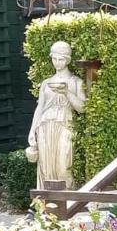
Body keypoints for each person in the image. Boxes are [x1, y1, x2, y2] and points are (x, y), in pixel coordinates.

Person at [26, 41, 85, 190]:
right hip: (45, 125)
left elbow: (82, 108)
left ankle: (67, 201)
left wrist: (67, 92)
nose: (57, 63)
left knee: (64, 164)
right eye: (54, 59)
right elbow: (40, 108)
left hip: (65, 124)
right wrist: (32, 130)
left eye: (61, 59)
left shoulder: (76, 82)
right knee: (45, 166)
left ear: (67, 60)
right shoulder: (46, 83)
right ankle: (46, 205)